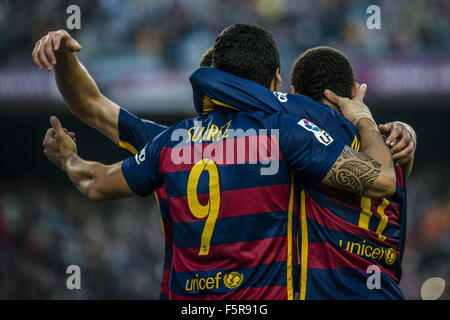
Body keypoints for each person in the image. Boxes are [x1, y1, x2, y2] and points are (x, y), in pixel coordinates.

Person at [41, 24, 396, 300]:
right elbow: (381, 178)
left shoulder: (169, 142)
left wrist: (69, 158)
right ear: (274, 78)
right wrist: (368, 119)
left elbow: (95, 164)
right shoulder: (287, 132)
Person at [189, 46, 415, 299]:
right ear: (354, 91)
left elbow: (205, 78)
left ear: (294, 94)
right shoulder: (392, 150)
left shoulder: (305, 129)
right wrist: (380, 123)